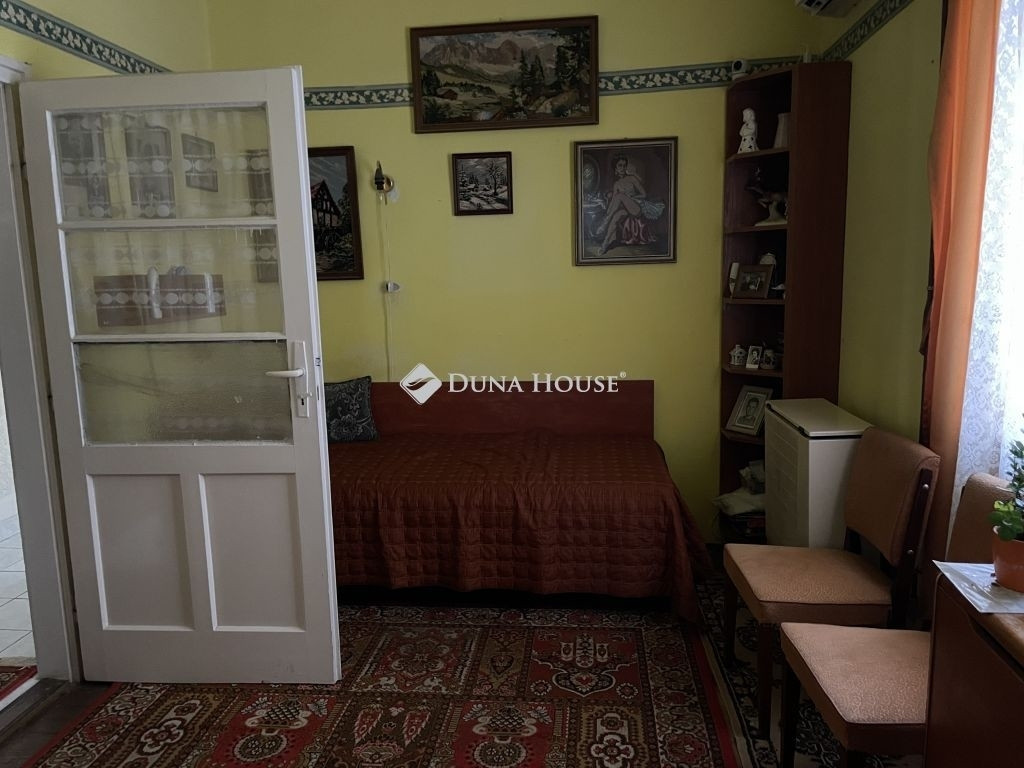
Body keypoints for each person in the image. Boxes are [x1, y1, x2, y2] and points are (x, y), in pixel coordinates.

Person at [593, 155, 665, 255]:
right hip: (626, 209)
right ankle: (605, 244)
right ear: (615, 168)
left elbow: (644, 194)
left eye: (624, 165)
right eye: (620, 165)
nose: (622, 168)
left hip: (637, 207)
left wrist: (631, 197)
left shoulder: (631, 178)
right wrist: (606, 206)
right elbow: (614, 202)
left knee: (620, 196)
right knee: (616, 216)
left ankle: (604, 224)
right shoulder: (616, 184)